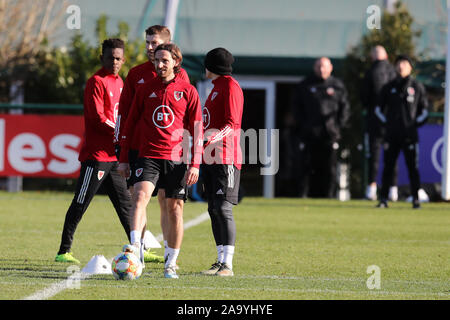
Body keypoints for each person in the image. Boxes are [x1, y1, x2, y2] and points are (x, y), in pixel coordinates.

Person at [118, 43, 203, 278]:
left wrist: (195, 164)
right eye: (157, 60)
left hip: (176, 159)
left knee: (174, 208)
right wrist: (124, 158)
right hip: (148, 155)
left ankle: (171, 263)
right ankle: (135, 247)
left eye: (165, 60)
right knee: (139, 197)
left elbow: (197, 129)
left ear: (176, 62)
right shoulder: (145, 89)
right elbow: (129, 123)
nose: (160, 65)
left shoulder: (188, 91)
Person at [55, 38, 132, 264]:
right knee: (81, 201)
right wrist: (120, 132)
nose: (115, 61)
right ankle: (63, 251)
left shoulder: (121, 83)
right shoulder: (95, 82)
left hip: (113, 157)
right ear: (102, 58)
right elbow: (98, 118)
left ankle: (139, 247)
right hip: (96, 157)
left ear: (124, 59)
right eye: (110, 57)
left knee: (125, 205)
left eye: (118, 58)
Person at [200, 48, 244, 277]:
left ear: (212, 66)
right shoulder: (216, 87)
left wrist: (209, 137)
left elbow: (232, 124)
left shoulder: (230, 86)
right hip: (211, 157)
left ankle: (228, 263)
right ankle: (219, 260)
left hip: (225, 157)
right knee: (213, 209)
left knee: (224, 208)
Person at [375, 55, 429, 209]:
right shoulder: (388, 87)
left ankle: (416, 199)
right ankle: (383, 199)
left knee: (413, 167)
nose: (401, 66)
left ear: (410, 67)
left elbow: (424, 111)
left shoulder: (417, 87)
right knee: (388, 167)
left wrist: (412, 125)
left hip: (409, 135)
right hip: (392, 135)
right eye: (398, 63)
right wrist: (388, 124)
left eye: (404, 63)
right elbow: (378, 110)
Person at [292, 57, 350, 198]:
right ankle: (303, 195)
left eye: (324, 66)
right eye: (319, 66)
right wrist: (303, 126)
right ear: (314, 68)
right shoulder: (305, 85)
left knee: (329, 168)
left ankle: (328, 196)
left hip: (330, 135)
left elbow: (345, 109)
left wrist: (337, 127)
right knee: (306, 167)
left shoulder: (337, 86)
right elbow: (296, 109)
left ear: (330, 68)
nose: (321, 69)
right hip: (309, 134)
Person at [361, 45, 398, 201]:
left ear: (372, 57)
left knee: (374, 155)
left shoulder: (370, 73)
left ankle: (372, 188)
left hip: (375, 121)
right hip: (393, 121)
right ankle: (393, 190)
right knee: (392, 155)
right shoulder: (394, 72)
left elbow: (364, 98)